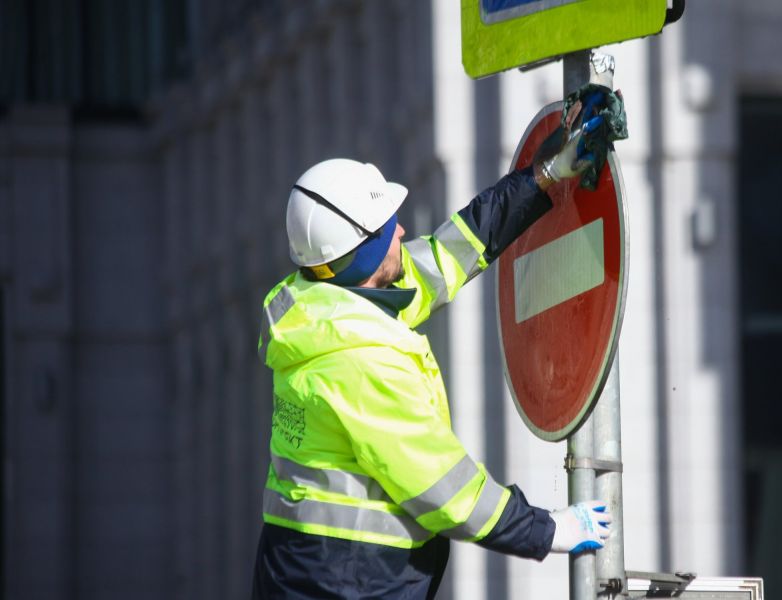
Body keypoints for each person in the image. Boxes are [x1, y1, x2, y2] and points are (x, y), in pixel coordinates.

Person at [251, 112, 612, 599]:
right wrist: (547, 530)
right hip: (343, 584)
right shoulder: (359, 359)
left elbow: (450, 253)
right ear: (359, 251)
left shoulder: (324, 306)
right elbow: (445, 486)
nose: (400, 232)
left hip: (314, 571)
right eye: (386, 228)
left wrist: (542, 179)